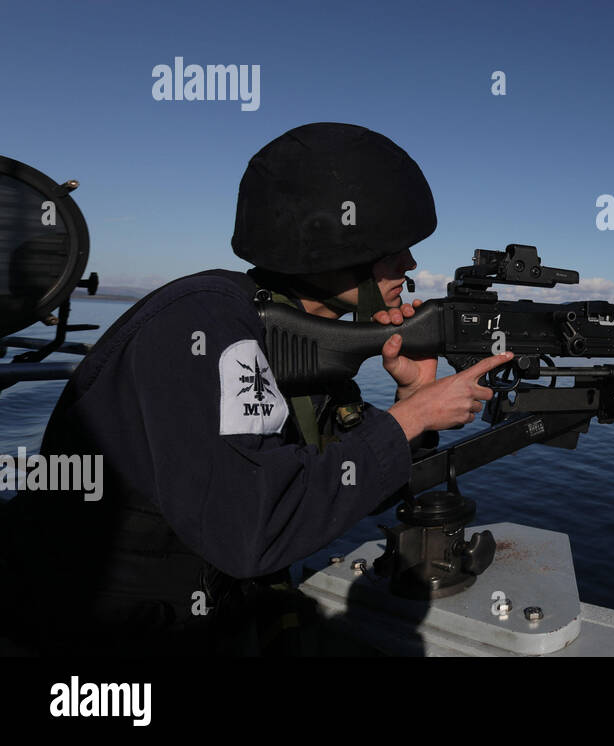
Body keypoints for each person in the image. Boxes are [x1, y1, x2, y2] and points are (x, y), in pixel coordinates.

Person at [0, 122, 511, 654]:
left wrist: (408, 401)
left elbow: (325, 487)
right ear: (328, 249)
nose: (408, 264)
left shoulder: (286, 336)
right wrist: (414, 419)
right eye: (393, 250)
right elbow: (254, 531)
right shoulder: (208, 323)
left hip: (189, 613)